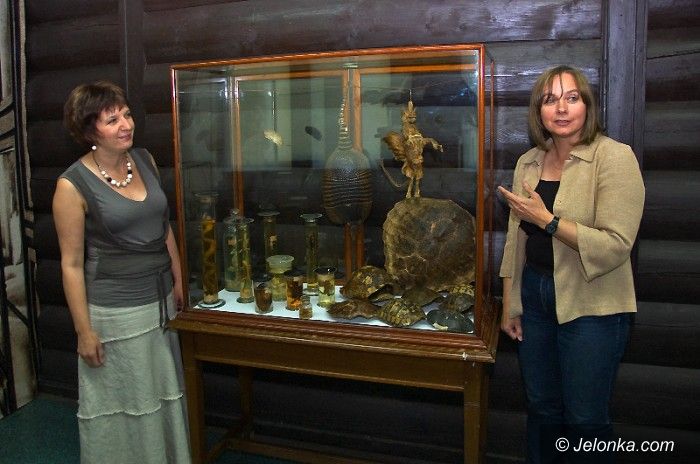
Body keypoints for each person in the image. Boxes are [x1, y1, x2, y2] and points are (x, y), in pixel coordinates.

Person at [498, 66, 644, 463]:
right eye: (550, 100)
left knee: (585, 420)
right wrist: (511, 302)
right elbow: (515, 238)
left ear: (587, 105)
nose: (561, 108)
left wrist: (548, 221)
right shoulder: (529, 162)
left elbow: (616, 245)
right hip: (535, 297)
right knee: (542, 409)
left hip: (593, 304)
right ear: (539, 111)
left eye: (572, 98)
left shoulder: (614, 157)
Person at [53, 81, 191, 463]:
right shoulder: (71, 186)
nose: (126, 124)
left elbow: (163, 227)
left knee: (161, 395)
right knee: (127, 403)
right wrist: (84, 332)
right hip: (116, 315)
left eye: (126, 115)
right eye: (112, 120)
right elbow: (70, 264)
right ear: (89, 131)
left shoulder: (144, 160)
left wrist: (179, 279)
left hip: (161, 304)